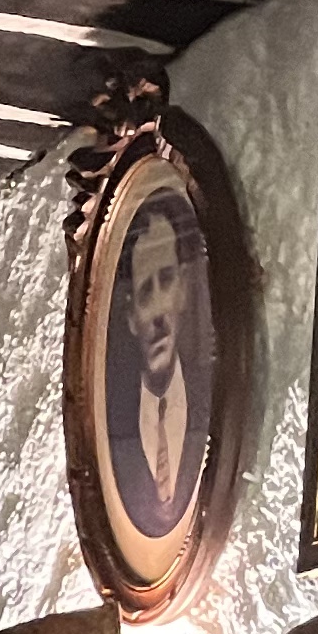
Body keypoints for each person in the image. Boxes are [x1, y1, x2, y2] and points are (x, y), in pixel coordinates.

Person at [106, 194, 206, 538]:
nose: (160, 315)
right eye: (147, 290)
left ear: (183, 290)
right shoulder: (113, 424)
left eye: (167, 279)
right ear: (132, 316)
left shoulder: (210, 403)